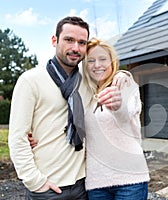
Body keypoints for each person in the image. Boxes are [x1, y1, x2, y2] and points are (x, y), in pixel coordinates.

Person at [8, 16, 125, 200]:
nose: (75, 48)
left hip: (83, 184)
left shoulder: (89, 81)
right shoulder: (30, 81)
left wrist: (122, 86)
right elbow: (17, 138)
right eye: (69, 40)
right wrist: (35, 182)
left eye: (82, 42)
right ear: (54, 40)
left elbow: (118, 105)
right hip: (47, 188)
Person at [82, 37, 150, 199]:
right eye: (91, 60)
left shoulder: (124, 83)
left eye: (103, 59)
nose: (97, 65)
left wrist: (118, 104)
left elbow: (127, 112)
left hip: (130, 180)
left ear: (112, 62)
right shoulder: (85, 95)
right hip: (96, 182)